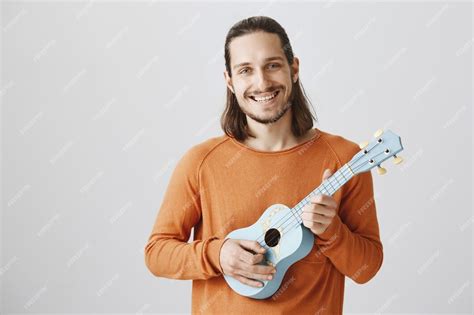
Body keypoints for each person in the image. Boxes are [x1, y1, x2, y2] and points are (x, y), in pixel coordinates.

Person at [145, 16, 383, 314]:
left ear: (293, 69)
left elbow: (367, 268)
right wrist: (218, 254)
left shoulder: (344, 159)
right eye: (246, 70)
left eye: (272, 65)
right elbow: (157, 253)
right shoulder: (201, 162)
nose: (262, 82)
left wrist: (332, 231)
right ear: (230, 81)